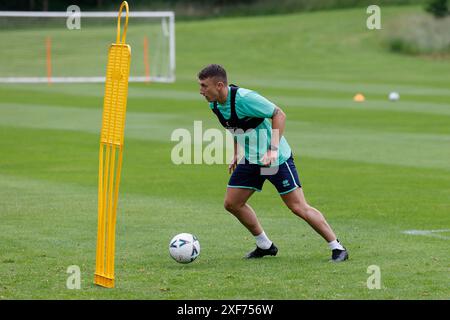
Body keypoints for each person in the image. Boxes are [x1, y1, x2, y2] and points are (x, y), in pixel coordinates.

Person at [197, 64, 348, 262]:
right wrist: (236, 152)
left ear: (219, 85)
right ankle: (265, 245)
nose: (201, 91)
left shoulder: (245, 98)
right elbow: (234, 125)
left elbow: (279, 114)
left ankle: (337, 248)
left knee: (297, 206)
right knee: (232, 203)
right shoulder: (215, 104)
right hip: (252, 159)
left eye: (204, 86)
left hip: (276, 159)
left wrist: (272, 150)